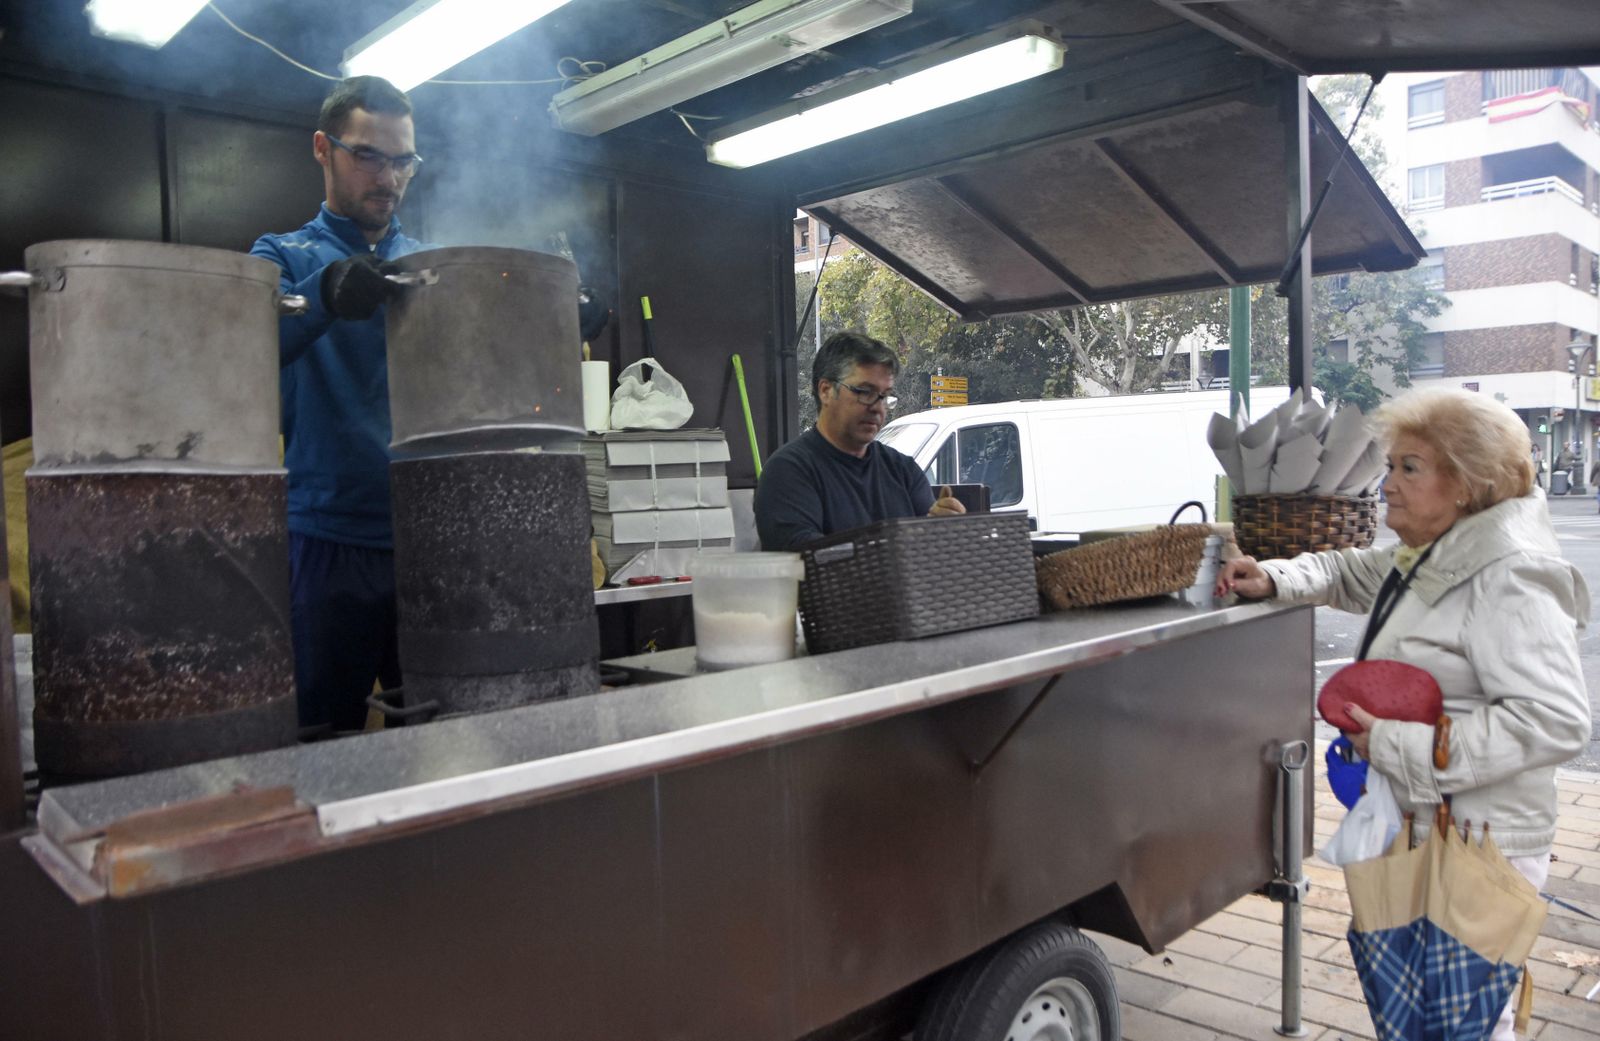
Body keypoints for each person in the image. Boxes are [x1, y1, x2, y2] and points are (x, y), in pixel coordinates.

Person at [1216, 388, 1589, 1041]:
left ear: (1468, 484)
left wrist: (1397, 746)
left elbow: (1555, 719)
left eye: (1409, 468)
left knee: (1467, 1023)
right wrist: (1273, 577)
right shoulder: (1436, 553)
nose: (1386, 484)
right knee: (1425, 1016)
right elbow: (1350, 571)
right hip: (1424, 826)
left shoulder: (1509, 575)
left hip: (1479, 842)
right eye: (1391, 466)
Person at [250, 76, 426, 734]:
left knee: (439, 733)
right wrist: (324, 293)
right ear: (323, 149)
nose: (389, 178)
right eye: (369, 156)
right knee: (322, 740)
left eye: (403, 161)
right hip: (325, 540)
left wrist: (564, 314)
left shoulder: (428, 264)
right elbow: (243, 350)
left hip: (426, 538)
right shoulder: (280, 256)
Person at [755, 332, 965, 550]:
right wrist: (906, 542)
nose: (877, 407)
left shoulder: (903, 471)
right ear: (826, 391)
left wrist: (941, 532)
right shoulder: (788, 472)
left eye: (884, 396)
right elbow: (809, 558)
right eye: (865, 392)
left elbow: (929, 552)